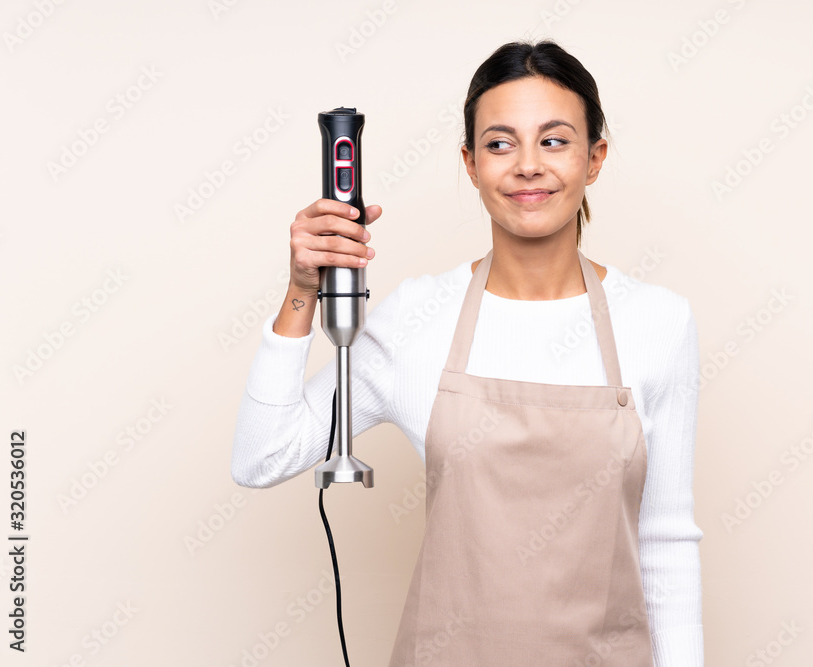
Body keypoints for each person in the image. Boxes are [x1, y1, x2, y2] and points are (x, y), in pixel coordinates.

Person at [232, 39, 704, 666]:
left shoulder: (658, 322)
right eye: (500, 143)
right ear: (471, 162)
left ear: (595, 159)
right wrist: (300, 292)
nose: (528, 165)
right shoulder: (416, 321)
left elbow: (666, 542)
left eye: (555, 140)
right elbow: (261, 456)